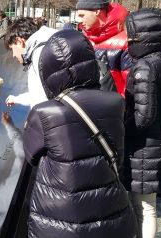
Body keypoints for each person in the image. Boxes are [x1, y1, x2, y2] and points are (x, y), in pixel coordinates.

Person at [23, 29, 136, 238]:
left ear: (48, 68)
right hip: (110, 208)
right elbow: (118, 154)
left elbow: (31, 157)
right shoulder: (116, 103)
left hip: (58, 217)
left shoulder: (44, 112)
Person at [124, 8, 161, 238]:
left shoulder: (145, 66)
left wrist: (120, 128)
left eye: (132, 34)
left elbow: (143, 117)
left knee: (144, 209)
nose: (128, 39)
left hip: (146, 147)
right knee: (148, 207)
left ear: (144, 34)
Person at [76, 0, 132, 97]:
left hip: (116, 108)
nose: (79, 20)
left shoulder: (125, 41)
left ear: (97, 12)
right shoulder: (85, 39)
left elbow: (130, 86)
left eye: (82, 15)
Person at [4, 17, 58, 108]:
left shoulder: (39, 56)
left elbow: (41, 102)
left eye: (12, 49)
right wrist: (17, 99)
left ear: (19, 41)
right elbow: (41, 93)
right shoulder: (49, 45)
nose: (13, 55)